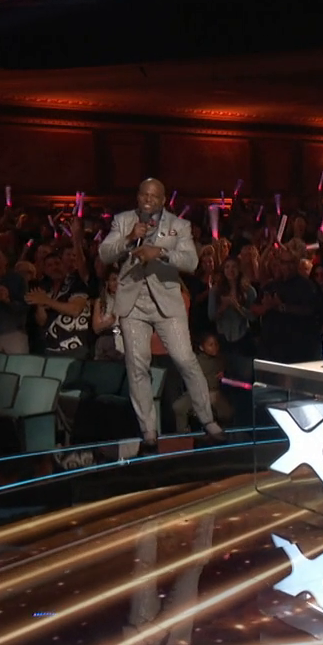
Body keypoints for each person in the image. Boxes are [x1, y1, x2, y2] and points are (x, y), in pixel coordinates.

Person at [99, 177, 223, 451]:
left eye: (154, 196)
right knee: (137, 366)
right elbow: (105, 254)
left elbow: (191, 261)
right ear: (138, 196)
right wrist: (128, 238)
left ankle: (208, 420)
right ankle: (148, 431)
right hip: (133, 302)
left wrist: (161, 253)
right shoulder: (123, 221)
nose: (148, 199)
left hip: (166, 302)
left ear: (163, 200)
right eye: (144, 194)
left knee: (185, 360)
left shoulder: (179, 226)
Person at [174, 333, 234, 433]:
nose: (214, 347)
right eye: (210, 345)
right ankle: (183, 435)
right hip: (196, 393)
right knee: (178, 407)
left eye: (216, 344)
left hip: (214, 393)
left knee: (226, 414)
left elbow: (228, 376)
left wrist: (224, 374)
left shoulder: (221, 360)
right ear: (202, 347)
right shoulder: (195, 361)